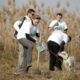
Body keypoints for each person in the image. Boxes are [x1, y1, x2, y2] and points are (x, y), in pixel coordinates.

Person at [13, 9, 35, 73]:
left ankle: (24, 70)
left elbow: (30, 31)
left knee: (25, 53)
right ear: (28, 13)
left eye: (34, 14)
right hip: (21, 37)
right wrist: (20, 32)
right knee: (22, 53)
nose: (33, 15)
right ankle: (21, 69)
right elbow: (15, 24)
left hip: (26, 38)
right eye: (32, 14)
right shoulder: (24, 18)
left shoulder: (30, 20)